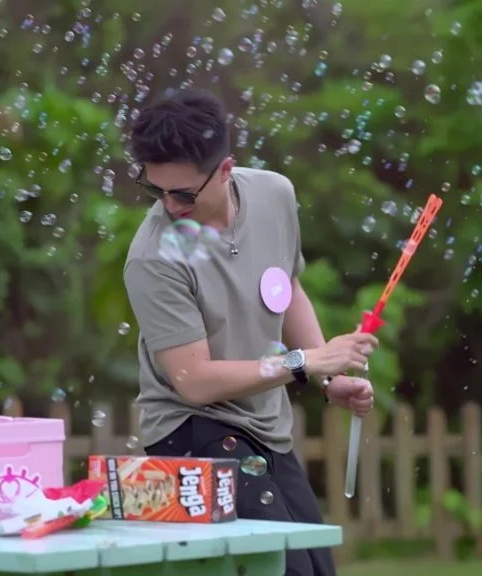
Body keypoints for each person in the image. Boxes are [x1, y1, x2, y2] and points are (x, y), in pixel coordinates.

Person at [122, 88, 379, 576]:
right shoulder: (153, 259)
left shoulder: (274, 194)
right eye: (155, 191)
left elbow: (287, 288)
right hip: (193, 431)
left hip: (266, 429)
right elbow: (194, 382)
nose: (169, 206)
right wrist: (305, 363)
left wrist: (328, 378)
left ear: (225, 170)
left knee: (318, 568)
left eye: (183, 194)